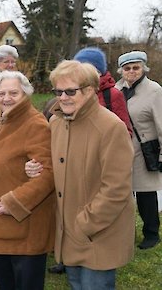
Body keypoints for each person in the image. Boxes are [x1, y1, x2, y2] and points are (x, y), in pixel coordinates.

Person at [46, 60, 134, 289]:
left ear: (89, 90)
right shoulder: (56, 123)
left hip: (99, 232)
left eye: (70, 91)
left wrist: (84, 224)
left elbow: (117, 189)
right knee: (76, 283)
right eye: (58, 91)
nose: (63, 97)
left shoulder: (111, 127)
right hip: (70, 231)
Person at [0, 71, 55, 289]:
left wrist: (15, 202)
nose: (7, 98)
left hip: (23, 226)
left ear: (26, 94)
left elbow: (48, 174)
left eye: (14, 93)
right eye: (2, 93)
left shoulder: (35, 124)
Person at [115, 51, 162, 249]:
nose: (132, 71)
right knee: (122, 195)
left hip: (145, 151)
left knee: (146, 194)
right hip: (119, 151)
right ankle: (125, 234)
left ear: (143, 68)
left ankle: (151, 234)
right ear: (121, 71)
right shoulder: (116, 90)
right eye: (127, 68)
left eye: (136, 67)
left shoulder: (155, 91)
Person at [73, 47, 132, 136]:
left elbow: (125, 132)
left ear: (98, 72)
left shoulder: (113, 95)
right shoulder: (70, 93)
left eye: (86, 69)